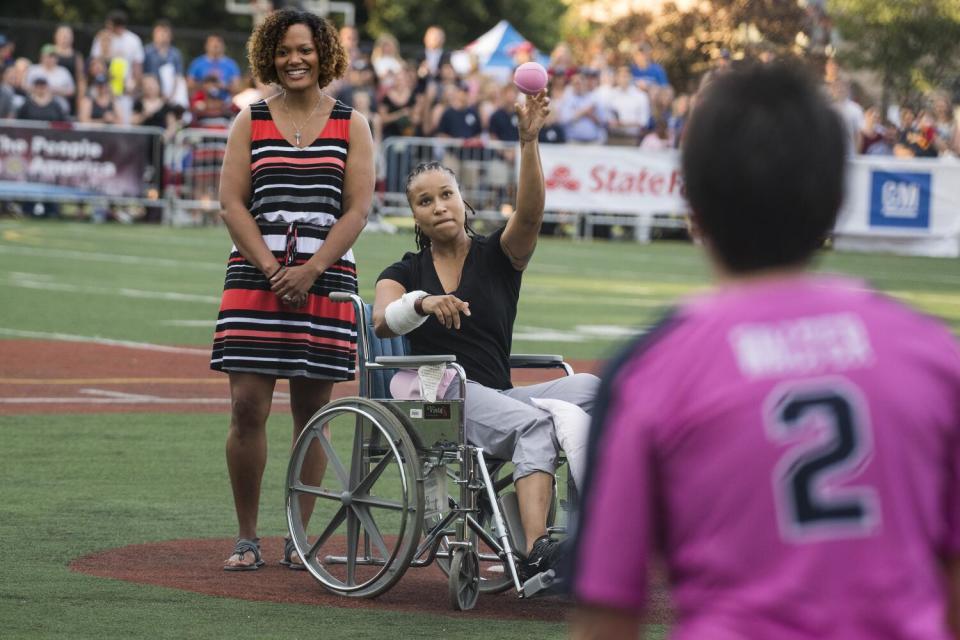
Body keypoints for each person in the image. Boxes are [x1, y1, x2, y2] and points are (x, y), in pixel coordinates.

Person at [569, 62, 960, 639]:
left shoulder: (650, 370)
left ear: (694, 210)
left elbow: (606, 615)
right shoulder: (933, 354)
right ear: (834, 202)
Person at [372, 90, 600, 582]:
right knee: (534, 429)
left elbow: (531, 214)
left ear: (463, 199)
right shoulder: (405, 270)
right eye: (424, 201)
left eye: (446, 195)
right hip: (440, 402)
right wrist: (423, 302)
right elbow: (382, 320)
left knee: (597, 391)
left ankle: (591, 532)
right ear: (414, 215)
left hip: (497, 394)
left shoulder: (498, 255)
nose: (438, 207)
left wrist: (528, 141)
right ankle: (537, 548)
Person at [212, 8, 375, 571]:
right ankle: (247, 537)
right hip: (255, 278)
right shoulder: (250, 119)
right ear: (269, 58)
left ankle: (297, 540)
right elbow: (232, 203)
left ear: (322, 53)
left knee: (312, 414)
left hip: (325, 279)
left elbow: (357, 210)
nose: (294, 60)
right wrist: (271, 267)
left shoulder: (351, 122)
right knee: (247, 406)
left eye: (304, 49)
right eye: (283, 52)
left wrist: (310, 270)